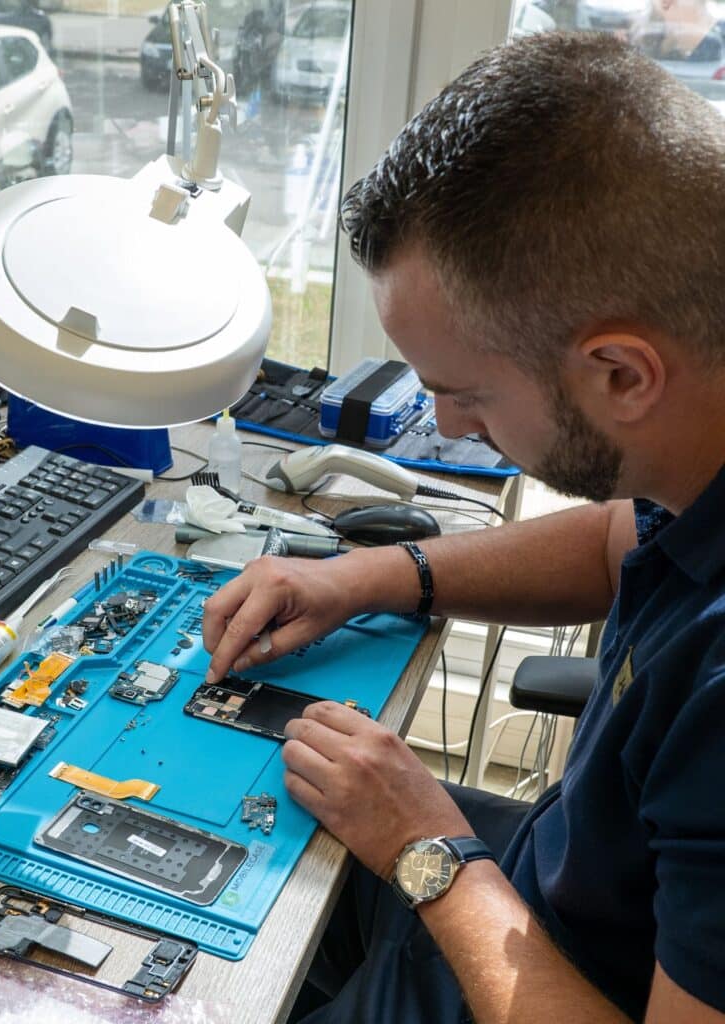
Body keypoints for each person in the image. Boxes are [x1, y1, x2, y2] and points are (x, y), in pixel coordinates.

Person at [203, 30, 725, 1023]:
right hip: (534, 886)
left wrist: (425, 850)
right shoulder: (697, 438)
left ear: (620, 373)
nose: (445, 424)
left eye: (463, 392)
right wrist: (363, 578)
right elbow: (620, 539)